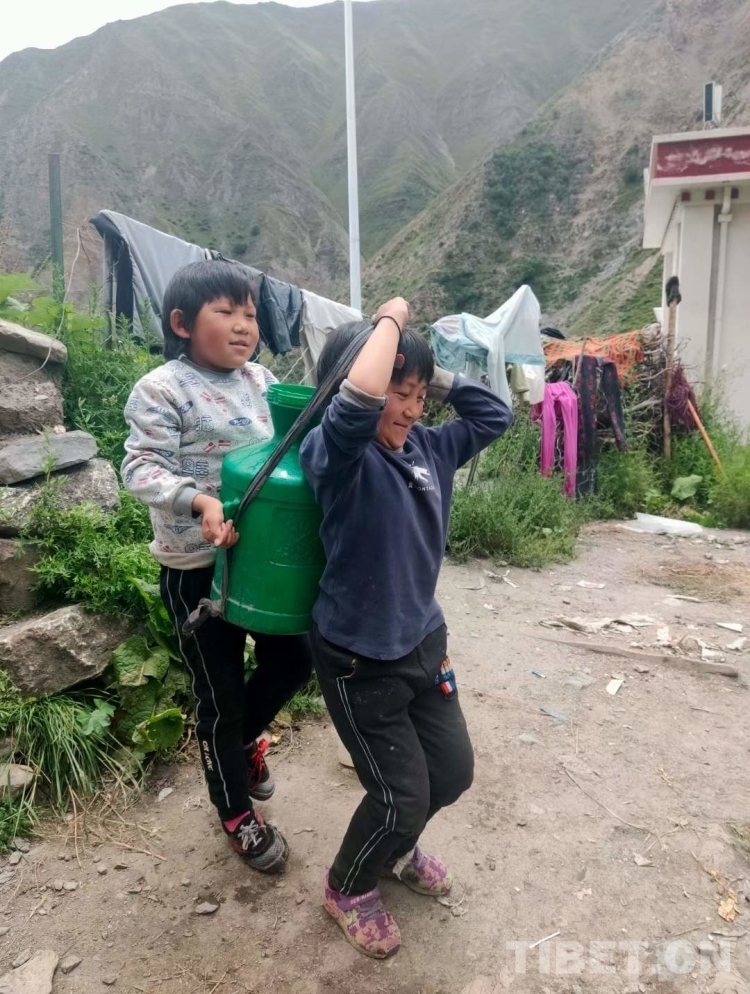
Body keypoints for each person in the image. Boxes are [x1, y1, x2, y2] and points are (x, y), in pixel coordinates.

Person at [299, 298, 512, 958]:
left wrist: (424, 372)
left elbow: (494, 414)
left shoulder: (430, 446)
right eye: (401, 393)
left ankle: (394, 846)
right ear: (354, 387)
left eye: (420, 396)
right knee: (399, 795)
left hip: (423, 644)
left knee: (450, 774)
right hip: (359, 660)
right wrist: (390, 320)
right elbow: (356, 405)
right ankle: (347, 886)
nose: (413, 409)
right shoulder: (338, 455)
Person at [122, 259, 312, 874]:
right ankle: (235, 812)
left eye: (249, 314)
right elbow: (140, 468)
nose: (242, 326)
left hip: (257, 565)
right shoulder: (161, 389)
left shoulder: (263, 381)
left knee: (295, 659)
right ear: (182, 323)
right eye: (225, 312)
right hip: (196, 568)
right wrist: (200, 502)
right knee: (219, 695)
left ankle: (240, 745)